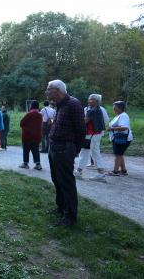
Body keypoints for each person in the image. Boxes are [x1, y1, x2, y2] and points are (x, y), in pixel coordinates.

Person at [45, 80, 85, 227]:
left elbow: (81, 130)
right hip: (55, 147)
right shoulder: (60, 105)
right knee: (57, 179)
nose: (46, 92)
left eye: (48, 89)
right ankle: (61, 208)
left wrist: (75, 149)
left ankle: (70, 217)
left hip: (64, 149)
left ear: (57, 90)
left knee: (66, 182)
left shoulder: (73, 104)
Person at [74, 94, 108, 182]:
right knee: (95, 153)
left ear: (96, 101)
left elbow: (84, 122)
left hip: (91, 135)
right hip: (96, 134)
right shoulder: (99, 109)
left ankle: (79, 172)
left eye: (90, 100)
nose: (88, 101)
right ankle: (101, 173)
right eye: (89, 99)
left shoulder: (92, 111)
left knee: (84, 152)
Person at [106, 101, 133, 176]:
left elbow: (124, 127)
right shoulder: (120, 115)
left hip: (122, 138)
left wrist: (112, 129)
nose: (113, 109)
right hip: (119, 138)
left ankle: (115, 171)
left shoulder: (123, 116)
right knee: (120, 154)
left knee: (118, 154)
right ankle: (123, 170)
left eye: (115, 108)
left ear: (120, 108)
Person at [19, 100, 43, 170]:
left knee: (26, 150)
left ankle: (25, 164)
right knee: (36, 150)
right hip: (37, 136)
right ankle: (38, 164)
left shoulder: (29, 114)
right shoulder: (40, 115)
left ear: (31, 106)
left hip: (27, 135)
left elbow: (21, 123)